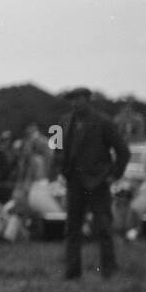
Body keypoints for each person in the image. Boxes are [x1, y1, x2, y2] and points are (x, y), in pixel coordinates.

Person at [51, 87, 130, 280]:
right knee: (72, 229)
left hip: (97, 183)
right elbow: (56, 150)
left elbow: (123, 152)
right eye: (72, 100)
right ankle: (72, 272)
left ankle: (109, 271)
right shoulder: (63, 122)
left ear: (88, 99)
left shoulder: (103, 122)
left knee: (103, 227)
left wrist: (113, 175)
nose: (75, 103)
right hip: (74, 183)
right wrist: (61, 170)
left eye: (79, 99)